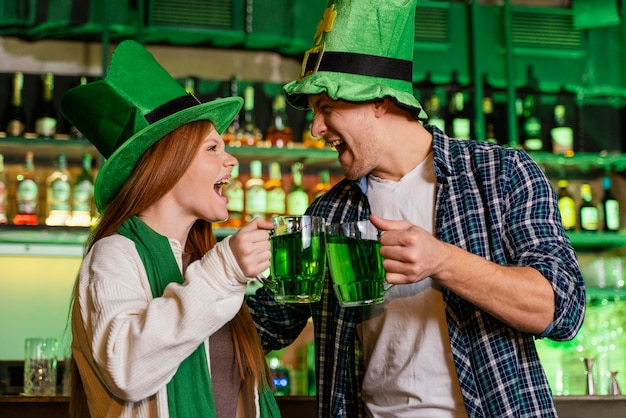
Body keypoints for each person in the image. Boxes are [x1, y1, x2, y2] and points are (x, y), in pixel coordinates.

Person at [247, 1, 586, 417]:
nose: (316, 128)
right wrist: (225, 271)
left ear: (379, 101)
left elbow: (562, 309)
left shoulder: (500, 175)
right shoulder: (329, 213)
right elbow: (262, 326)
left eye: (327, 107)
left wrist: (442, 260)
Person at [61, 40, 280, 418]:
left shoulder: (202, 260)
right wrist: (225, 270)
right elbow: (127, 369)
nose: (230, 160)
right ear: (170, 162)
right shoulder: (114, 254)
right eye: (212, 148)